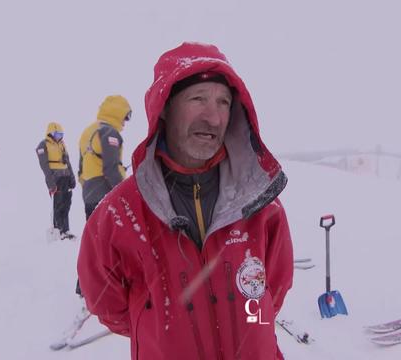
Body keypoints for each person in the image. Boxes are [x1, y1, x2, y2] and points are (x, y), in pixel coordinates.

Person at [77, 42, 293, 359]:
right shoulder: (119, 212)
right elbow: (106, 303)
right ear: (165, 106)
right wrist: (162, 328)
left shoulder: (261, 204)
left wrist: (249, 328)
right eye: (198, 99)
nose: (214, 118)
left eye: (223, 102)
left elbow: (269, 296)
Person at [75, 94, 131, 298]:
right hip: (103, 190)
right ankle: (98, 286)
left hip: (90, 189)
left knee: (94, 238)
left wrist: (86, 185)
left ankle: (84, 285)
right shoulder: (109, 132)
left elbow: (83, 165)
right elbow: (110, 168)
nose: (125, 122)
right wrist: (125, 194)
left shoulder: (89, 130)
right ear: (118, 112)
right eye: (125, 116)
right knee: (108, 239)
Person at [36, 122, 76, 240]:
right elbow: (44, 166)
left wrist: (72, 177)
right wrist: (50, 183)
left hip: (66, 177)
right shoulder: (43, 145)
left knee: (67, 203)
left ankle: (66, 229)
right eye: (57, 134)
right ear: (50, 133)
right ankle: (58, 230)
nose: (59, 137)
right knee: (58, 204)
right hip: (55, 178)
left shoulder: (62, 144)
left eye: (61, 134)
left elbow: (67, 161)